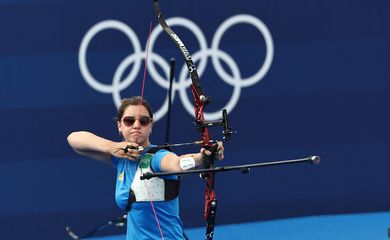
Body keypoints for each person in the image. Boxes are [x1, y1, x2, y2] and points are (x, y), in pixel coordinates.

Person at [67, 96, 224, 240]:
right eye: (129, 120)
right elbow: (74, 140)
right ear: (119, 126)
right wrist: (112, 147)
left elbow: (177, 163)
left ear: (151, 126)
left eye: (143, 121)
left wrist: (202, 157)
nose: (136, 125)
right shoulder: (119, 159)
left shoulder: (157, 157)